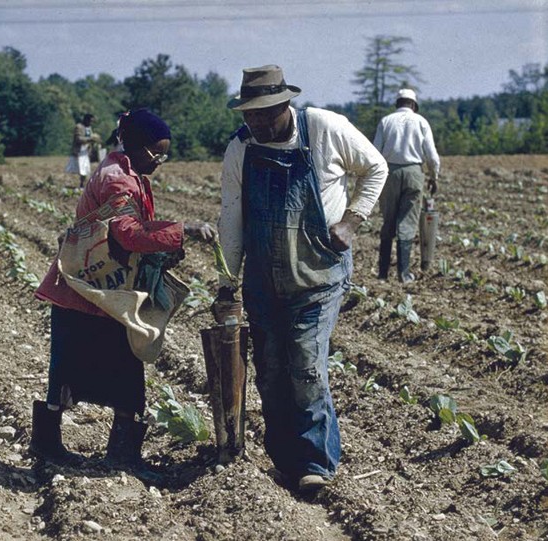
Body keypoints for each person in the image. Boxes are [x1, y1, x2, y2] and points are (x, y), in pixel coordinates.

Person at [216, 65, 387, 492]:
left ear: (284, 104)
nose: (255, 122)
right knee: (271, 371)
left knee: (307, 367)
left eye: (263, 113)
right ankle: (286, 463)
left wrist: (352, 221)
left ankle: (317, 463)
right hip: (263, 279)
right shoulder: (240, 149)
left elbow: (376, 167)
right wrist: (226, 280)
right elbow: (231, 217)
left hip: (318, 276)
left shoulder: (324, 128)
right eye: (248, 114)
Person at [33, 108, 216, 483]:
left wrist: (163, 245)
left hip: (97, 288)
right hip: (92, 292)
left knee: (81, 366)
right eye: (157, 153)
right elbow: (128, 235)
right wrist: (182, 230)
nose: (161, 161)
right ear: (136, 146)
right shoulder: (119, 180)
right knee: (112, 367)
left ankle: (72, 447)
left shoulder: (126, 169)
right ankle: (116, 455)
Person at [373, 88, 441, 283]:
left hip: (389, 173)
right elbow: (432, 156)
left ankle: (383, 274)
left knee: (388, 221)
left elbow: (375, 152)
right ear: (413, 105)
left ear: (398, 103)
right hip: (413, 173)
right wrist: (433, 177)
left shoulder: (386, 121)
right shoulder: (421, 122)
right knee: (408, 221)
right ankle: (403, 274)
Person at [65, 113, 101, 188]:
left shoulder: (89, 128)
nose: (91, 123)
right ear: (86, 120)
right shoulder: (79, 127)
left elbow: (90, 137)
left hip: (85, 152)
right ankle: (77, 184)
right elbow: (78, 139)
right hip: (79, 152)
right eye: (90, 121)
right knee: (76, 169)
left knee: (85, 169)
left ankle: (82, 184)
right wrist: (91, 139)